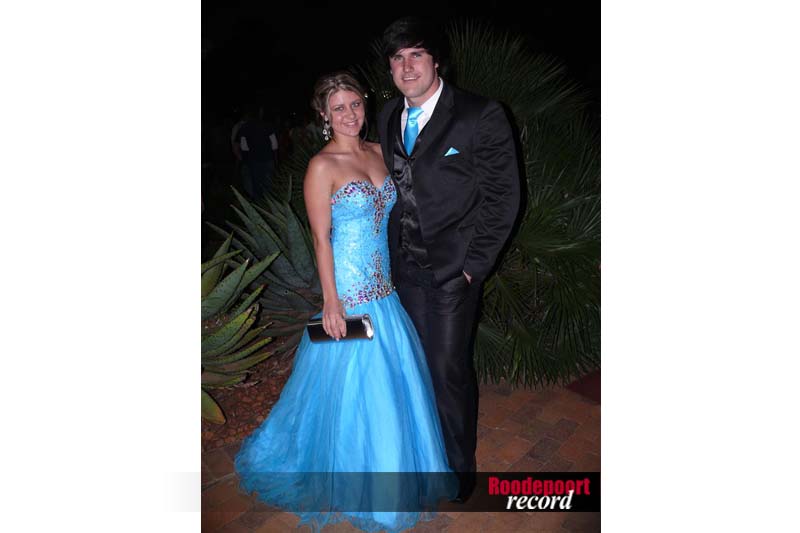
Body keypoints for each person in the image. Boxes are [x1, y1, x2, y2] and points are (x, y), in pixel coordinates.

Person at [235, 71, 457, 533]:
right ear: (324, 114)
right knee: (354, 394)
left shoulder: (379, 152)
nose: (349, 114)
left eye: (355, 104)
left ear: (365, 105)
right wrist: (331, 303)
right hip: (350, 296)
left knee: (390, 390)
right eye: (338, 108)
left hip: (386, 294)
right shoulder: (322, 167)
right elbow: (321, 240)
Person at [377, 17, 521, 502]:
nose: (407, 66)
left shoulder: (479, 114)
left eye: (416, 54)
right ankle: (426, 458)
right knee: (416, 367)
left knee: (447, 370)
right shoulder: (388, 115)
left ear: (436, 61)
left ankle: (459, 474)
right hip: (404, 270)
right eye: (398, 58)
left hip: (453, 273)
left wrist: (473, 267)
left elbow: (504, 197)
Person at [232, 104, 278, 199]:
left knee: (256, 185)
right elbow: (274, 145)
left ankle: (259, 204)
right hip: (268, 159)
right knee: (269, 185)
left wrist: (244, 158)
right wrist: (275, 158)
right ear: (260, 113)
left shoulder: (244, 127)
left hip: (253, 161)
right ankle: (269, 204)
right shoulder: (268, 126)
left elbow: (243, 146)